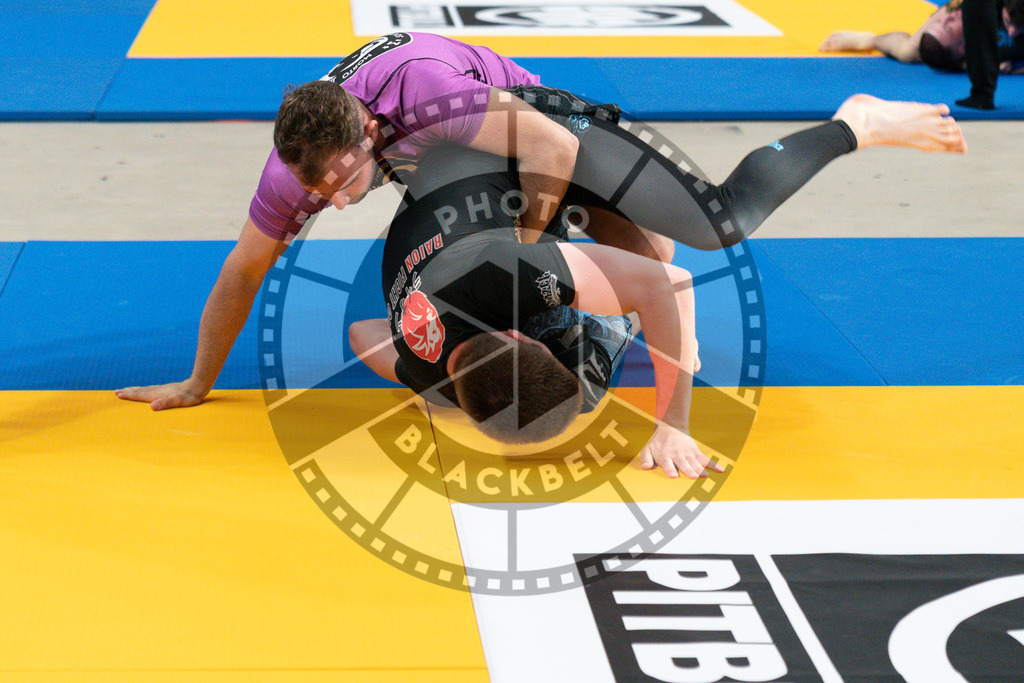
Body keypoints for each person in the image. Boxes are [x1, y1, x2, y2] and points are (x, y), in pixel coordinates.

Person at [116, 32, 967, 416]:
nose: (338, 204)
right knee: (615, 272)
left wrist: (531, 250)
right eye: (325, 191)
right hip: (473, 164)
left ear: (366, 130)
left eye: (345, 182)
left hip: (548, 130)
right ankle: (582, 302)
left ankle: (855, 119)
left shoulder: (420, 92)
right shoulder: (300, 164)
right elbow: (243, 268)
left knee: (710, 230)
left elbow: (552, 149)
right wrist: (196, 381)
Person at [819, 0, 1024, 86]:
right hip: (963, 27)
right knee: (908, 52)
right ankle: (870, 39)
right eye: (1009, 22)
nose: (1013, 32)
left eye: (1020, 27)